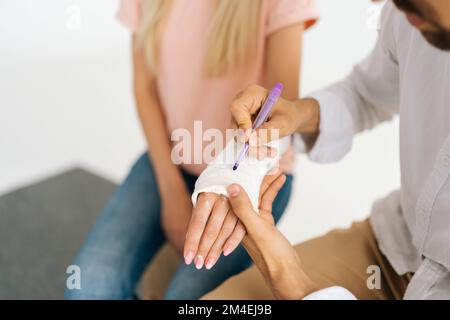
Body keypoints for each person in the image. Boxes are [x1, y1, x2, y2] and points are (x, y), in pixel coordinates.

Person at [65, 0, 319, 299]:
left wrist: (226, 186)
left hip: (253, 176)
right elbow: (144, 89)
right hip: (175, 158)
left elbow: (282, 112)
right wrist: (172, 192)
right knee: (87, 286)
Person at [198, 0, 450, 299]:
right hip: (396, 245)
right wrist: (298, 113)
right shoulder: (415, 14)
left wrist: (290, 281)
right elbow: (366, 93)